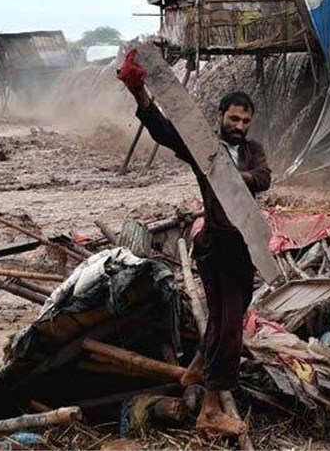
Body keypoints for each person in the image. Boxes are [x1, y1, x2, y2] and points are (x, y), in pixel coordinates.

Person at [116, 49, 271, 437]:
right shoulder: (205, 149)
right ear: (219, 118)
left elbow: (264, 177)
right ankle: (210, 409)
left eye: (245, 121)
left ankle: (200, 360)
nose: (239, 126)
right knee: (229, 327)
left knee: (225, 319)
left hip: (245, 247)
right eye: (233, 119)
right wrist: (139, 92)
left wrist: (232, 175)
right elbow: (164, 129)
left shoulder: (251, 151)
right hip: (216, 246)